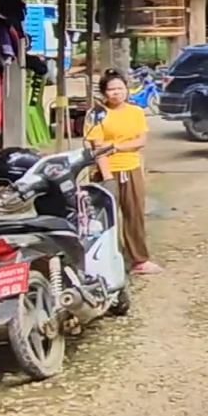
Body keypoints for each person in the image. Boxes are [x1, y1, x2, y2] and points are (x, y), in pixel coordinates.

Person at [85, 69, 160, 275]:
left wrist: (116, 147)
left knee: (134, 215)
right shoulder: (97, 114)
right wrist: (108, 176)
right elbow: (98, 148)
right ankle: (106, 261)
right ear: (104, 92)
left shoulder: (135, 112)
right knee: (105, 218)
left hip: (132, 167)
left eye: (120, 88)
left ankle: (139, 259)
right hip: (106, 171)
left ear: (127, 90)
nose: (116, 93)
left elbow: (141, 141)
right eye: (111, 89)